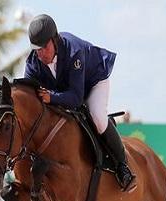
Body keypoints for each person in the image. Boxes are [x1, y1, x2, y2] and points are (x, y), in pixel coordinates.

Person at [24, 14, 135, 191]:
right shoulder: (32, 63)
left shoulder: (74, 51)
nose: (41, 53)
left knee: (97, 117)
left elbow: (76, 98)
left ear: (55, 40)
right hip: (64, 90)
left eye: (44, 47)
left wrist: (51, 97)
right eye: (37, 49)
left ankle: (122, 166)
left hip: (93, 82)